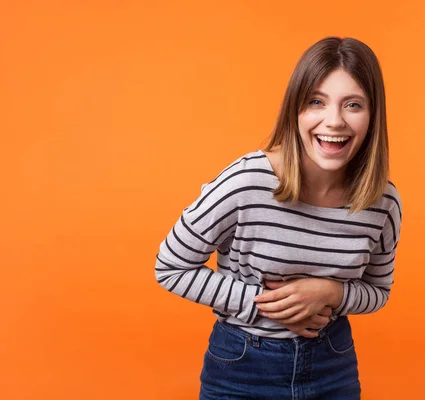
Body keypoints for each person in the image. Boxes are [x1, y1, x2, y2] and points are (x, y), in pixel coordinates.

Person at [154, 36, 402, 400]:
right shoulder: (247, 181)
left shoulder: (382, 202)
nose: (334, 121)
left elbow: (378, 292)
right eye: (316, 102)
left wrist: (331, 292)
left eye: (353, 105)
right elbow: (170, 267)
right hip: (242, 365)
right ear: (295, 110)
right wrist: (267, 305)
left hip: (332, 363)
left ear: (372, 116)